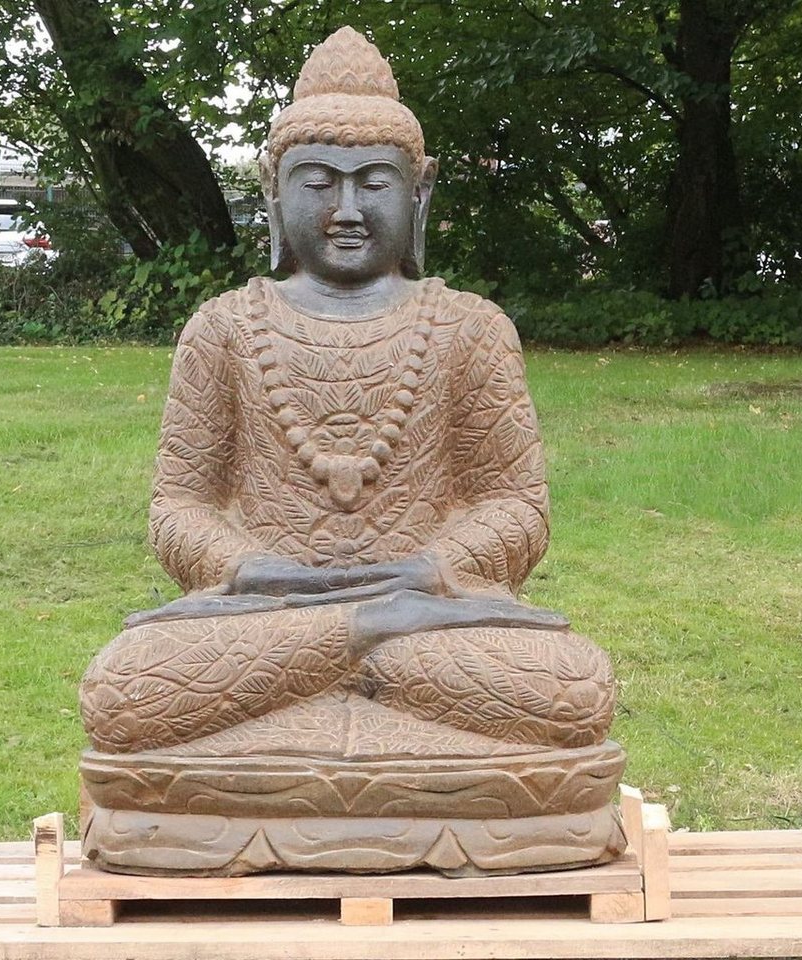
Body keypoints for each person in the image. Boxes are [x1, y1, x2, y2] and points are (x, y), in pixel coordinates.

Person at [78, 27, 625, 877]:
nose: (345, 211)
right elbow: (178, 507)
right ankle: (361, 643)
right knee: (120, 690)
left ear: (420, 191)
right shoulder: (223, 329)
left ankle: (329, 686)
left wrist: (434, 571)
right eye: (317, 183)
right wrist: (253, 569)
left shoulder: (469, 327)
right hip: (267, 614)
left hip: (429, 618)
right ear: (272, 190)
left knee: (574, 688)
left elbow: (516, 506)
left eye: (375, 183)